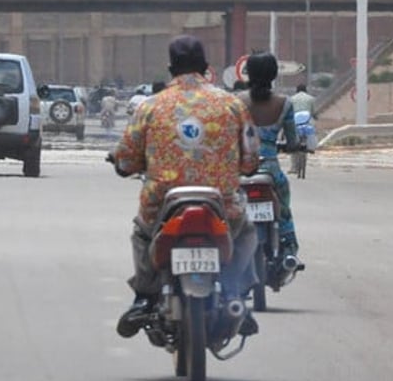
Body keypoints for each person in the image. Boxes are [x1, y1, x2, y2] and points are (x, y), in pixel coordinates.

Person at [108, 35, 260, 339]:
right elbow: (251, 158)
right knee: (245, 234)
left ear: (170, 68)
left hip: (162, 206)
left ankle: (144, 297)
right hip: (222, 206)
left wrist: (123, 165)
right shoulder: (232, 104)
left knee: (142, 234)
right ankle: (233, 293)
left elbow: (126, 158)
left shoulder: (150, 107)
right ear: (206, 68)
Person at [236, 52, 304, 274]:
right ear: (274, 74)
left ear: (248, 73)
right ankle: (289, 249)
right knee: (283, 208)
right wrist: (291, 146)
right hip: (271, 170)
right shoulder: (284, 104)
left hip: (242, 170)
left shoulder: (236, 103)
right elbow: (292, 140)